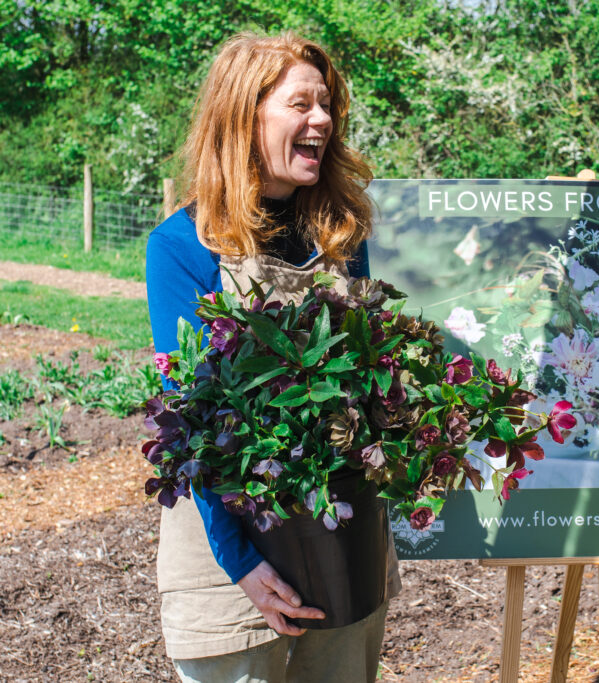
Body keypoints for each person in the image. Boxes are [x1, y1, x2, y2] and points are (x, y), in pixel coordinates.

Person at [145, 32, 399, 682]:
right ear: (244, 114)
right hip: (228, 568)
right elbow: (194, 423)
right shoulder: (184, 247)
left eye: (327, 104)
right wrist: (242, 563)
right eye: (300, 104)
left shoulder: (343, 236)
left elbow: (369, 381)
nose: (323, 120)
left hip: (344, 549)